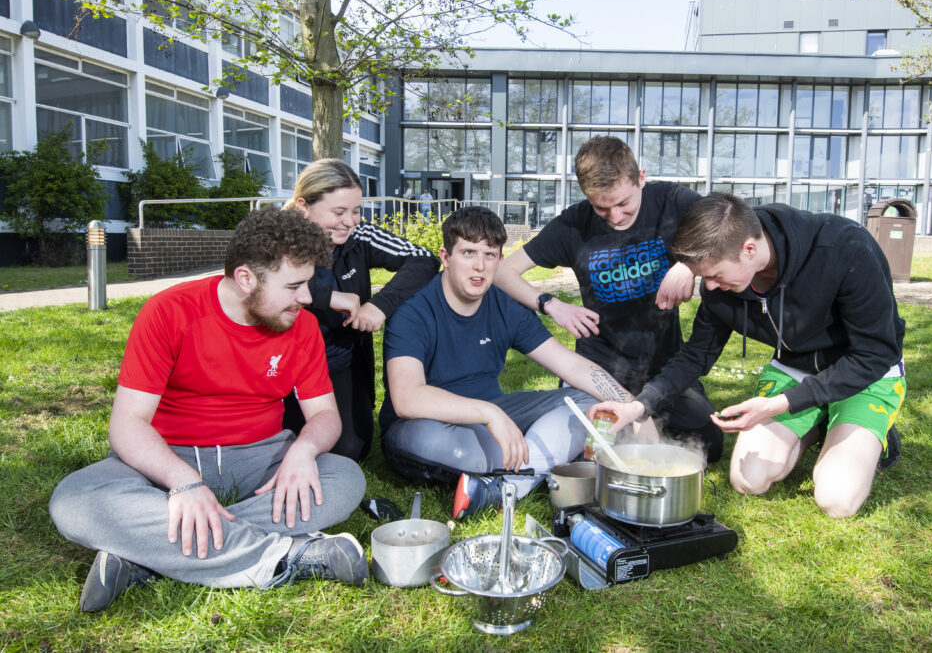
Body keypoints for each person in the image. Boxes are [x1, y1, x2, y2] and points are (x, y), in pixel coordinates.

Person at [49, 209, 369, 613]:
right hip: (167, 461)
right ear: (246, 278)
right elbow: (128, 424)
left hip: (263, 459)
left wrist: (303, 453)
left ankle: (144, 556)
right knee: (74, 499)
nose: (306, 298)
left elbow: (325, 415)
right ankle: (289, 556)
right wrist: (183, 483)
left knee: (344, 476)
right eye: (294, 286)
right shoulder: (169, 312)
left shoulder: (300, 326)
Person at [588, 193, 906, 518]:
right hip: (796, 369)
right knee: (747, 480)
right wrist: (638, 407)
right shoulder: (724, 285)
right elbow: (694, 357)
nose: (709, 288)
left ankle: (863, 429)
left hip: (864, 376)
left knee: (836, 501)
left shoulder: (845, 247)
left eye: (714, 276)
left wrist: (779, 405)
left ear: (749, 250)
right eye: (702, 277)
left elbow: (875, 353)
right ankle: (815, 423)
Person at [377, 207, 647, 520]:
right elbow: (407, 398)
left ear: (500, 261)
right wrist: (490, 414)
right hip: (429, 424)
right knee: (440, 442)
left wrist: (634, 407)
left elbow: (571, 366)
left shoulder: (505, 305)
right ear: (446, 257)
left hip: (496, 413)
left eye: (490, 255)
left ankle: (506, 486)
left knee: (588, 401)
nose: (479, 267)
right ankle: (530, 463)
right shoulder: (413, 310)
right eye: (468, 253)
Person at [494, 135, 723, 462]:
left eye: (623, 204)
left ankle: (643, 423)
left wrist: (689, 264)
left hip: (664, 366)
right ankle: (626, 425)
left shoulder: (673, 201)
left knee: (709, 444)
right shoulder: (573, 224)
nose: (615, 217)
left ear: (640, 178)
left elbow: (725, 226)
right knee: (592, 451)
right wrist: (550, 304)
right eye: (602, 207)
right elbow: (503, 272)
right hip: (599, 368)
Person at [282, 159, 438, 461]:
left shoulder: (359, 234)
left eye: (356, 210)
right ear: (304, 206)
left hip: (339, 360)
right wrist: (329, 297)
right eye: (338, 212)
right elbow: (256, 282)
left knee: (350, 450)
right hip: (283, 362)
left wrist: (380, 305)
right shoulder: (276, 235)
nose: (350, 221)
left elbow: (423, 260)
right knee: (278, 441)